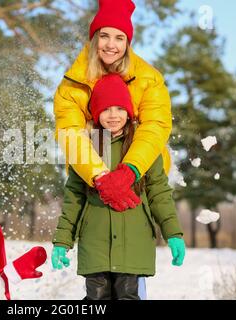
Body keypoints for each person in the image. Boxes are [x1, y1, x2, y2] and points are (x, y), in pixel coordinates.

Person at [51, 74, 185, 300]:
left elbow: (159, 193)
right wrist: (62, 241)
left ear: (129, 112)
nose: (113, 115)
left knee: (128, 296)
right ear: (95, 113)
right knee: (96, 298)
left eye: (119, 109)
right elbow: (73, 197)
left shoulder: (143, 148)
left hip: (133, 242)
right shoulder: (85, 148)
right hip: (95, 242)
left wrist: (173, 233)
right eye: (106, 109)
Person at [54, 0, 172, 212]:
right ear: (94, 38)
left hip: (139, 174)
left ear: (127, 43)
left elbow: (155, 126)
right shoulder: (72, 84)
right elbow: (69, 132)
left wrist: (130, 171)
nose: (111, 45)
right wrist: (100, 177)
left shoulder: (149, 79)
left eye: (119, 38)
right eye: (104, 36)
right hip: (93, 177)